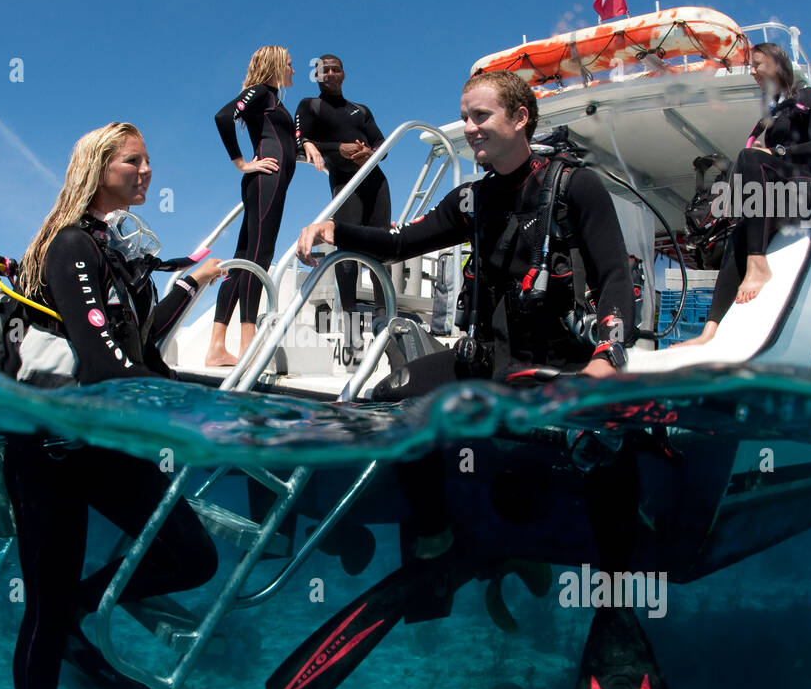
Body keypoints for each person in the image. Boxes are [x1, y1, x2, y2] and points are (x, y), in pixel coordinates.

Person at [3, 121, 236, 689]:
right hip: (47, 449)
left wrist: (187, 289)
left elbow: (128, 348)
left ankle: (82, 611)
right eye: (134, 161)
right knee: (41, 604)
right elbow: (106, 368)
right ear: (98, 166)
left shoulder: (109, 248)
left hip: (95, 442)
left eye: (147, 160)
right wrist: (181, 415)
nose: (147, 171)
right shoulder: (73, 243)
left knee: (191, 555)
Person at [296, 69, 635, 556]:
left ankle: (616, 600)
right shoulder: (472, 200)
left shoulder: (576, 187)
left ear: (521, 118)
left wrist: (607, 355)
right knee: (389, 399)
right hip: (483, 363)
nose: (470, 127)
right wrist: (335, 230)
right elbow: (400, 242)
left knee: (612, 444)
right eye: (464, 118)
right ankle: (435, 528)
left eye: (481, 115)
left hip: (553, 366)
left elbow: (615, 276)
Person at [678, 43, 811, 345]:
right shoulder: (775, 111)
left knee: (751, 157)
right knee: (740, 230)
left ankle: (758, 264)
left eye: (757, 65)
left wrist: (777, 150)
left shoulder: (807, 97)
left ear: (777, 65)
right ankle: (710, 330)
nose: (752, 71)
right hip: (792, 196)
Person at [205, 46, 324, 367]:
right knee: (260, 256)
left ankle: (217, 346)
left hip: (269, 184)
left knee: (245, 257)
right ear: (274, 66)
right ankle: (247, 345)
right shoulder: (260, 92)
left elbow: (282, 142)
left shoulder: (273, 99)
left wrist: (307, 150)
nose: (294, 70)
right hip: (264, 182)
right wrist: (242, 163)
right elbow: (222, 116)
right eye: (289, 64)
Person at [295, 55, 391, 353]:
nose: (331, 74)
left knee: (381, 246)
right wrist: (340, 148)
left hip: (375, 181)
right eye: (325, 70)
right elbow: (298, 143)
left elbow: (382, 146)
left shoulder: (360, 110)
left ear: (344, 74)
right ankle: (351, 330)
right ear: (317, 76)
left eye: (336, 69)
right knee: (347, 251)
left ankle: (384, 320)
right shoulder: (310, 105)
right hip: (344, 183)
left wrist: (368, 154)